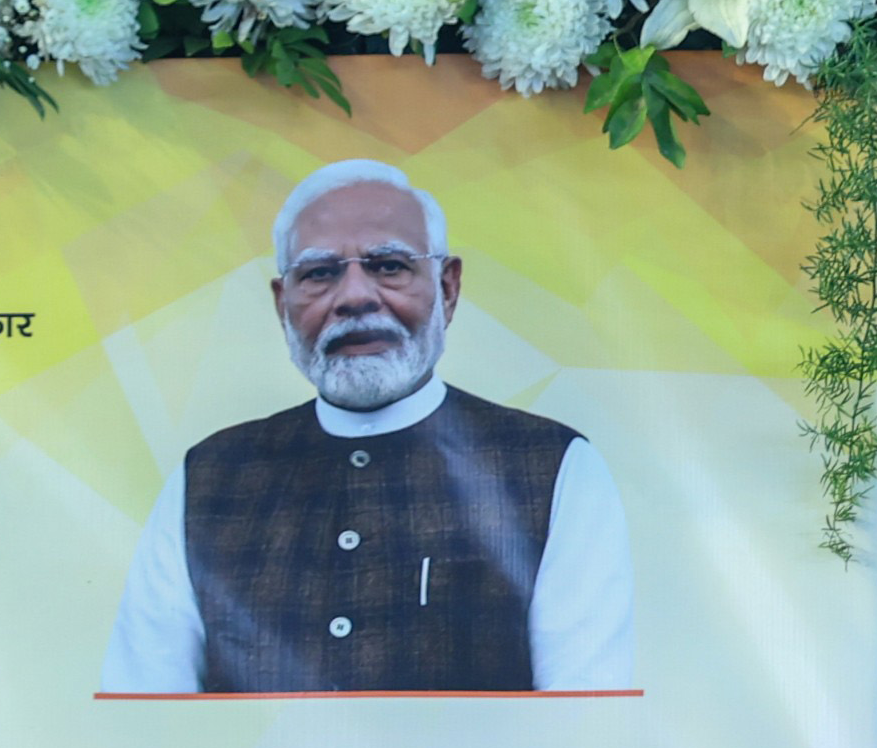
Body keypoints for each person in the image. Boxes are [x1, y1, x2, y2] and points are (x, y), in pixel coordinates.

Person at [101, 158, 636, 695]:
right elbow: (144, 715)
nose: (355, 297)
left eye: (388, 265)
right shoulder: (210, 477)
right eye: (319, 273)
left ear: (447, 288)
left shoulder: (552, 467)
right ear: (282, 303)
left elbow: (587, 724)